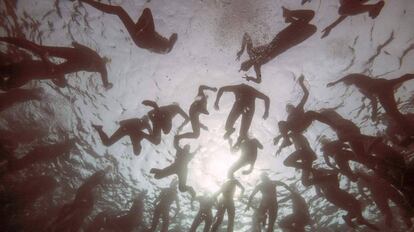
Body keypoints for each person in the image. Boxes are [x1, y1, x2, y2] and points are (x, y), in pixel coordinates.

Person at [236, 8, 316, 83]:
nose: (247, 64)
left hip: (282, 38)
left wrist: (242, 50)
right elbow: (259, 80)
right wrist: (250, 78)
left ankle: (290, 15)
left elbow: (246, 36)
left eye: (244, 64)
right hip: (287, 43)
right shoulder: (257, 66)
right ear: (249, 67)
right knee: (312, 28)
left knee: (310, 16)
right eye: (247, 67)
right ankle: (290, 18)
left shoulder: (251, 52)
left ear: (245, 61)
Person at [0, 37, 112, 90]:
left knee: (41, 49)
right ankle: (6, 39)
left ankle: (5, 38)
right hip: (77, 61)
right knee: (54, 71)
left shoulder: (97, 58)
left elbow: (86, 49)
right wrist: (107, 85)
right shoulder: (102, 67)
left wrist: (76, 44)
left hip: (75, 54)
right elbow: (105, 78)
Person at [327, 73, 414, 136]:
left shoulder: (358, 78)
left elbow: (349, 76)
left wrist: (335, 82)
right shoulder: (361, 89)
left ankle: (407, 127)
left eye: (346, 82)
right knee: (392, 113)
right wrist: (374, 113)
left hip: (382, 85)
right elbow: (373, 100)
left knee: (401, 79)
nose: (346, 83)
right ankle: (407, 127)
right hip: (383, 91)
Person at [79, 0, 177, 54]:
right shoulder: (161, 45)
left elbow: (174, 38)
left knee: (146, 11)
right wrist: (139, 27)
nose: (164, 37)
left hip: (144, 39)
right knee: (119, 10)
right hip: (140, 41)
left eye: (166, 38)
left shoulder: (167, 47)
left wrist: (173, 39)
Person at [308, 168, 379, 231]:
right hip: (332, 194)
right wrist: (326, 191)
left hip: (335, 192)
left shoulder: (323, 178)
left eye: (320, 172)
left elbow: (335, 172)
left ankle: (358, 218)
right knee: (352, 206)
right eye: (317, 173)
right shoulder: (317, 181)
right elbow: (318, 193)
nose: (319, 173)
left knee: (355, 204)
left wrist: (325, 172)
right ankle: (355, 218)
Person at [274, 75, 319, 149]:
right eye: (288, 109)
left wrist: (301, 83)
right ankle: (287, 141)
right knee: (281, 124)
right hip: (298, 129)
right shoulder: (289, 118)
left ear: (293, 107)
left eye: (290, 107)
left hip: (304, 122)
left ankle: (332, 123)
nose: (289, 109)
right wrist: (278, 138)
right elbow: (285, 130)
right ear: (288, 112)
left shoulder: (298, 108)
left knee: (310, 113)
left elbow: (306, 94)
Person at [3, 140, 75, 173]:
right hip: (41, 154)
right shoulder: (66, 149)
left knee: (25, 160)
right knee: (25, 162)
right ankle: (10, 160)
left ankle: (10, 160)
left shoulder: (65, 145)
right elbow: (66, 158)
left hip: (40, 152)